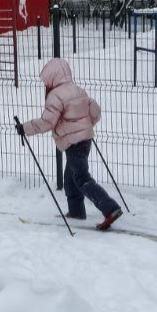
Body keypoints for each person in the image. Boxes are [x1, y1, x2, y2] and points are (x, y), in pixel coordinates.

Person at [16, 58, 123, 230]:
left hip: (73, 142)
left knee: (81, 177)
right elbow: (95, 110)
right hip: (85, 139)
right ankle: (76, 211)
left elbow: (47, 122)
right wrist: (85, 127)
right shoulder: (78, 90)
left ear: (51, 78)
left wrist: (25, 128)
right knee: (70, 177)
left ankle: (110, 208)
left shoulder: (55, 96)